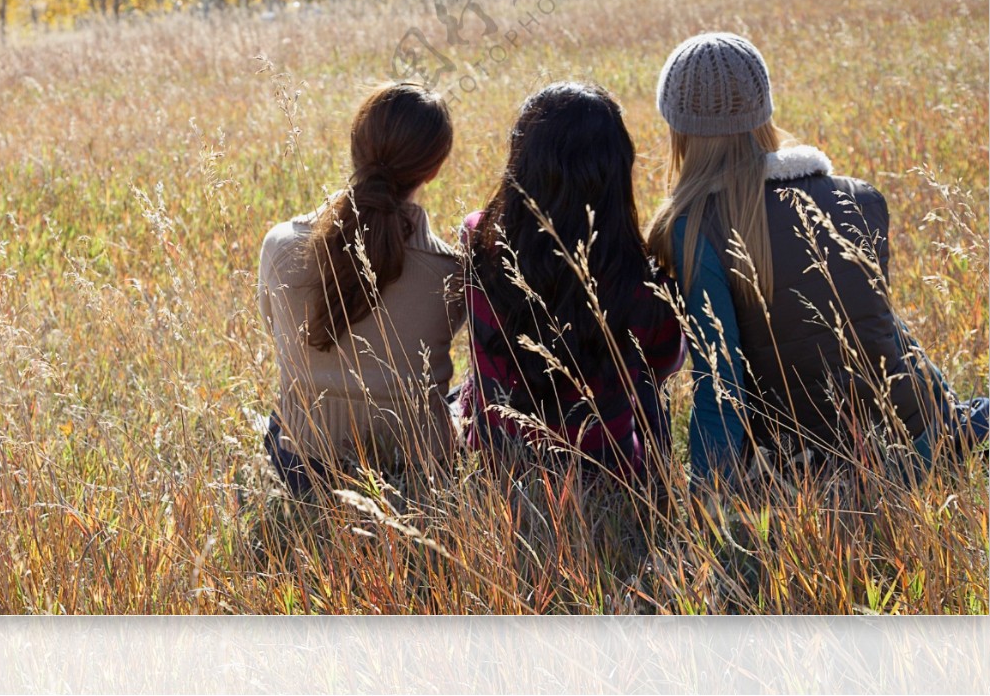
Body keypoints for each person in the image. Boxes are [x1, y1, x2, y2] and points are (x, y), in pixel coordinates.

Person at [643, 31, 988, 489]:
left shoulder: (693, 230)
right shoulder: (859, 197)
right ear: (763, 110)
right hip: (924, 438)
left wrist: (707, 503)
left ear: (678, 127)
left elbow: (720, 389)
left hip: (811, 472)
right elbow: (883, 330)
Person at [456, 82, 687, 483]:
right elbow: (664, 364)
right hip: (604, 470)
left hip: (498, 456)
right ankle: (659, 492)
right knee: (648, 388)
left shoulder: (479, 238)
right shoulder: (641, 282)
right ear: (616, 172)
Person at [257, 81, 465, 497]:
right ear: (434, 168)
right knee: (466, 394)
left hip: (304, 464)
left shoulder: (280, 245)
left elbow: (274, 330)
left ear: (354, 146)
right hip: (418, 469)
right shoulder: (452, 273)